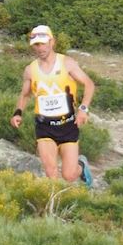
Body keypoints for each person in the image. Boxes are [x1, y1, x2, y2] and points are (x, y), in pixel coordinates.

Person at [11, 24, 95, 184]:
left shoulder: (67, 63)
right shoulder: (30, 70)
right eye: (36, 44)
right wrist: (18, 112)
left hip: (68, 125)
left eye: (43, 43)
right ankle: (55, 207)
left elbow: (89, 84)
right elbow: (25, 94)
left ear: (52, 42)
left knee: (69, 175)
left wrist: (83, 109)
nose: (40, 48)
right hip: (45, 127)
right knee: (51, 173)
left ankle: (81, 166)